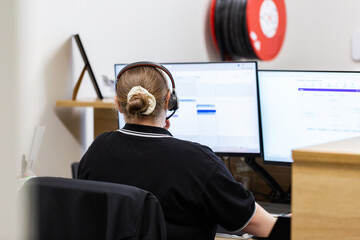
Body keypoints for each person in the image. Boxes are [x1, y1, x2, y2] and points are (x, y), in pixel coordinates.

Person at [78, 62, 279, 240]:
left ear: (118, 105)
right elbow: (261, 225)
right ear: (168, 101)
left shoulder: (97, 149)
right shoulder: (197, 161)